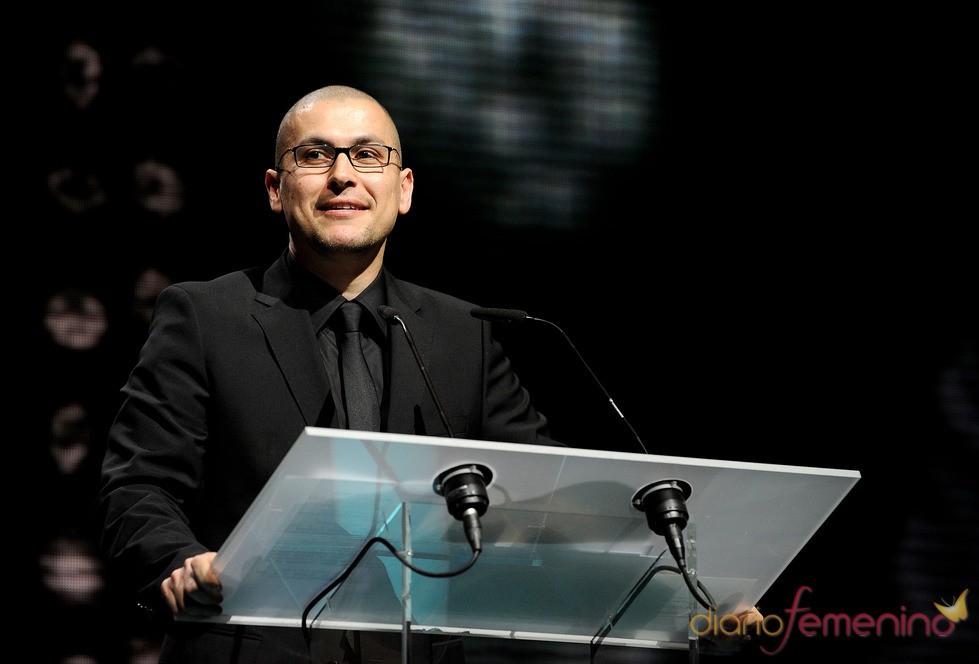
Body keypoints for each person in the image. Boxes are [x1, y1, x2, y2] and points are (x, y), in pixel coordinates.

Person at [95, 85, 554, 664]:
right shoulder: (205, 317)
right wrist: (177, 562)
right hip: (247, 646)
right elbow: (138, 486)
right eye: (314, 156)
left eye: (367, 155)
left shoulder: (466, 331)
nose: (342, 175)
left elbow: (542, 490)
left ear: (404, 189)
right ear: (274, 188)